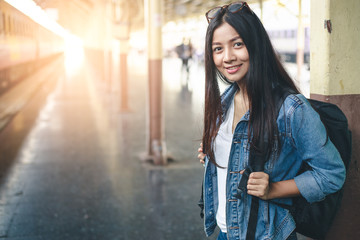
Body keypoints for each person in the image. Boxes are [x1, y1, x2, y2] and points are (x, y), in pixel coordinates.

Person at [197, 2, 346, 240]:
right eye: (217, 49)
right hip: (226, 231)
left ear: (255, 45)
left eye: (237, 44)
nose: (228, 57)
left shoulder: (290, 108)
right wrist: (214, 153)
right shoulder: (223, 103)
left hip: (267, 234)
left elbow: (331, 174)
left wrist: (274, 189)